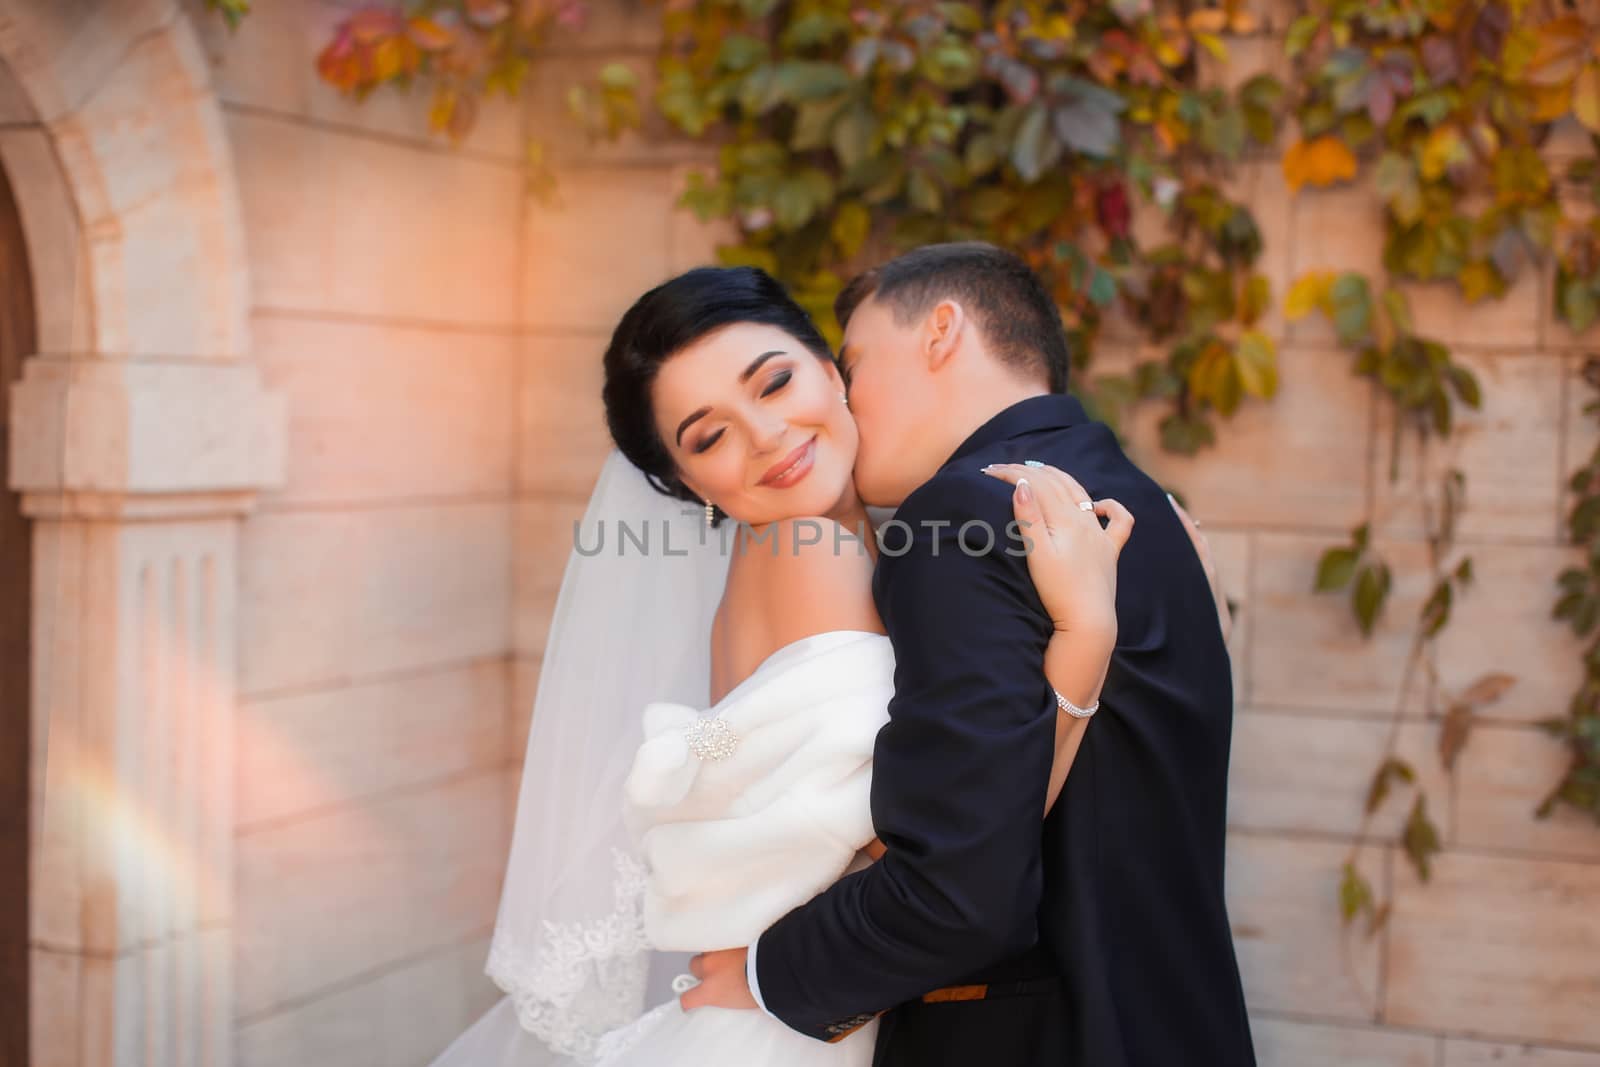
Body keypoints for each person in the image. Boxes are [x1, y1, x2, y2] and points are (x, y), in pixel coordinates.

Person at [428, 250, 1235, 1067]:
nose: (767, 435)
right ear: (690, 485)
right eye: (709, 436)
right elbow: (946, 851)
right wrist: (1085, 642)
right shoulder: (817, 550)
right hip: (810, 1014)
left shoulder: (888, 542)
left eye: (774, 383)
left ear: (829, 372)